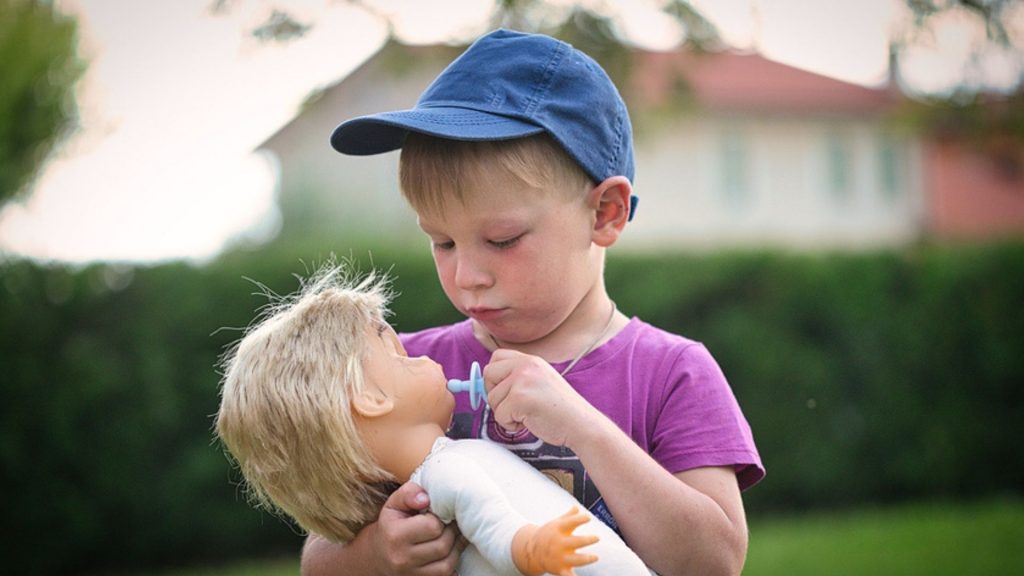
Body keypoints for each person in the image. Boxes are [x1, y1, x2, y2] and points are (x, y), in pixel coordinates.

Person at [306, 29, 764, 576]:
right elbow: (318, 560)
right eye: (442, 241)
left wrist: (582, 426)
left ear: (605, 214)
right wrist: (380, 552)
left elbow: (714, 563)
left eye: (502, 240)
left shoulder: (672, 372)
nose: (467, 276)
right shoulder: (402, 370)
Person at [215, 265, 652, 575]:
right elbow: (496, 526)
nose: (423, 355)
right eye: (400, 357)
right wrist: (533, 548)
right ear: (371, 398)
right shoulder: (446, 470)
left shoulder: (434, 479)